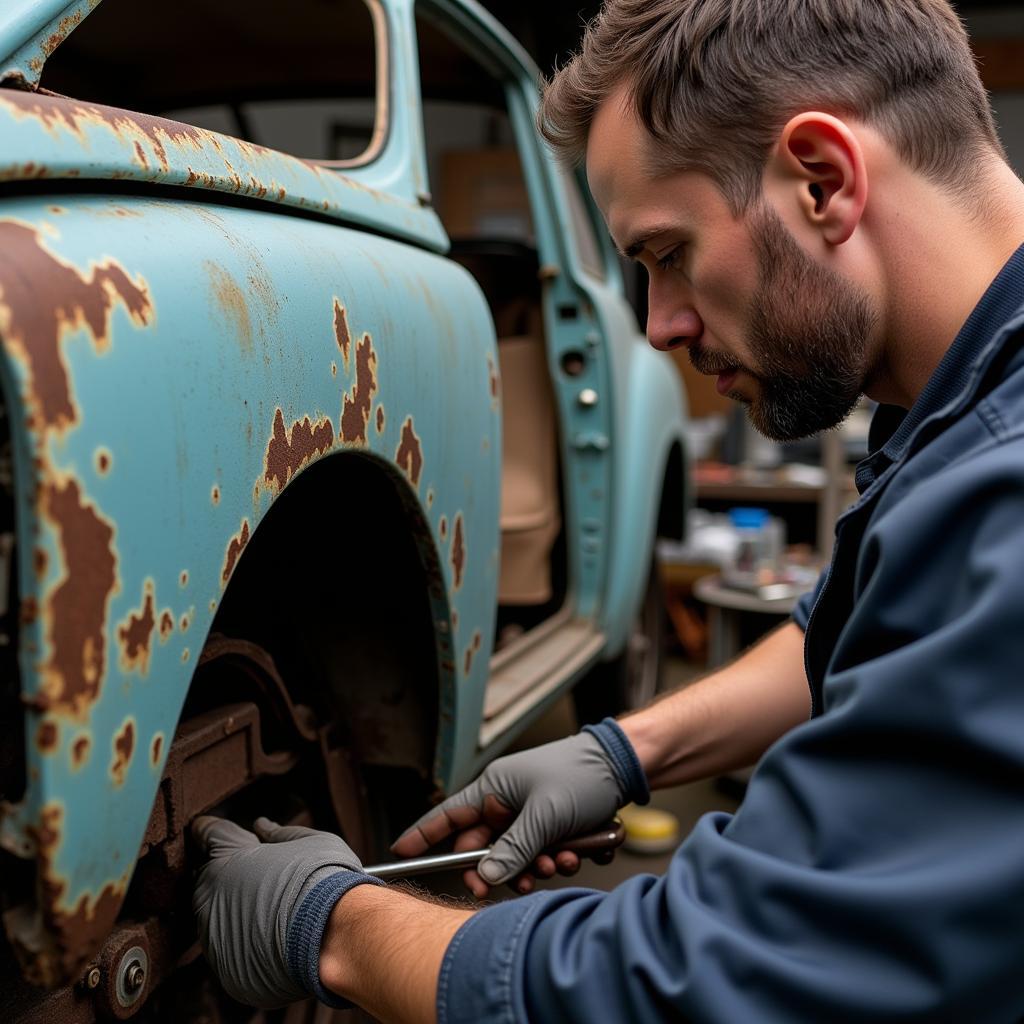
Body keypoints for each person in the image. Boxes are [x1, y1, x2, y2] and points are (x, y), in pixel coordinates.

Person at [192, 0, 1024, 1020]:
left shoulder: (1001, 494)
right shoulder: (961, 413)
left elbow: (720, 983)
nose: (661, 324)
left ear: (823, 180)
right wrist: (629, 751)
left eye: (667, 253)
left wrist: (331, 929)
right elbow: (857, 629)